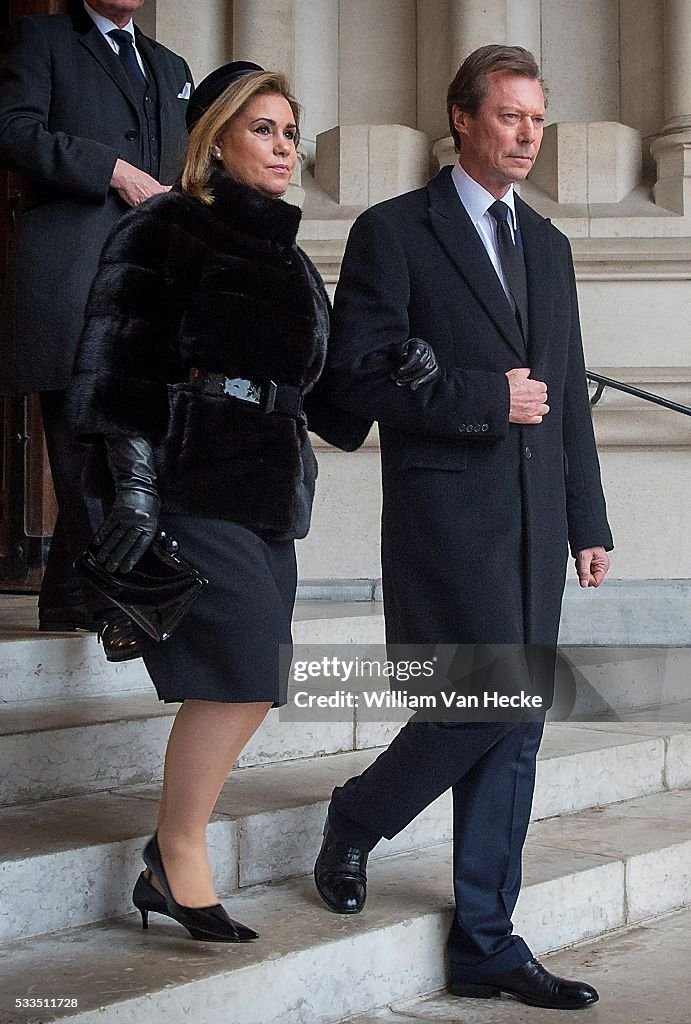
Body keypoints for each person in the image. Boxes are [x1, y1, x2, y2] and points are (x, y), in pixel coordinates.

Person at [67, 62, 435, 942]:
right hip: (194, 474)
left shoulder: (291, 260)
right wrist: (138, 485)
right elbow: (121, 359)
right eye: (263, 129)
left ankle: (170, 856)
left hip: (269, 487)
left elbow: (321, 404)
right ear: (217, 139)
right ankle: (177, 852)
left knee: (256, 675)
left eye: (289, 132)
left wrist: (393, 374)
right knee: (242, 670)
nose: (282, 148)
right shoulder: (164, 227)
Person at [313, 45, 613, 1010]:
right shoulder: (394, 231)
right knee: (486, 708)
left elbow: (564, 399)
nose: (528, 135)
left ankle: (486, 939)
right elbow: (354, 380)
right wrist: (487, 397)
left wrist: (586, 520)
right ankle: (359, 816)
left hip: (534, 530)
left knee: (513, 727)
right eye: (510, 116)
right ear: (462, 119)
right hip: (447, 517)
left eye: (537, 118)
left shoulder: (552, 248)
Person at [0, 0, 192, 658]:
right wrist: (111, 169)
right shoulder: (44, 38)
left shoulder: (170, 67)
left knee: (136, 447)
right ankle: (124, 599)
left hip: (147, 286)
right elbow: (12, 128)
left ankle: (66, 592)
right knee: (82, 447)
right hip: (70, 274)